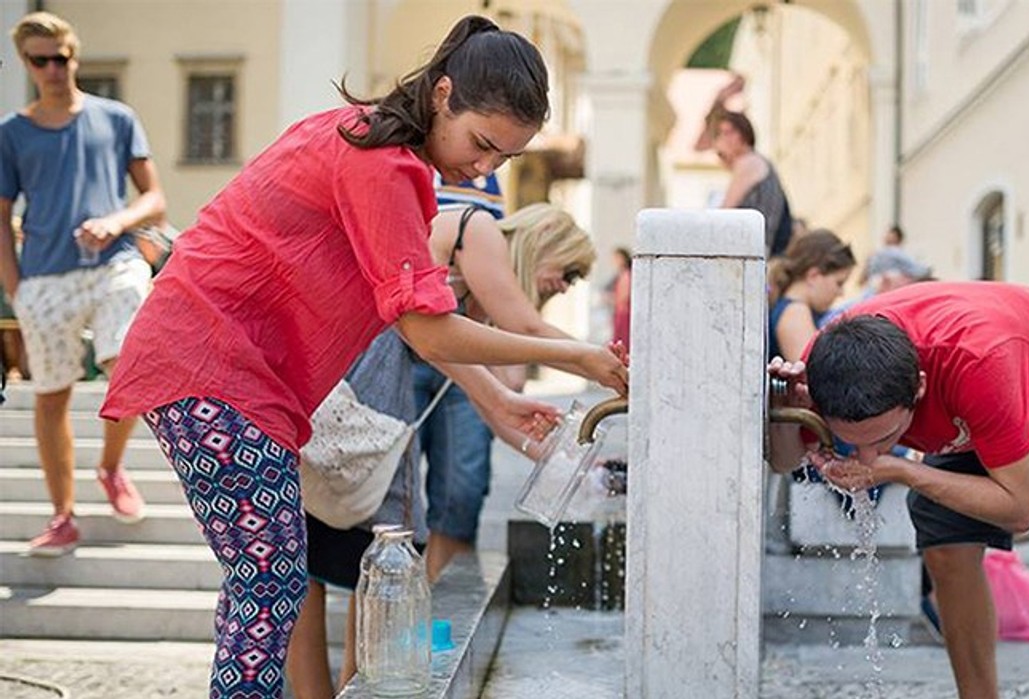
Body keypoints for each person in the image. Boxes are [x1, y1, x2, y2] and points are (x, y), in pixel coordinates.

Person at [99, 16, 628, 698]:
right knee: (271, 579)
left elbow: (408, 320)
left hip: (229, 371)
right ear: (444, 94)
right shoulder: (380, 161)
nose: (484, 169)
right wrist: (579, 357)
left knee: (264, 581)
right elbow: (429, 328)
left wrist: (495, 398)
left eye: (504, 159)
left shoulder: (368, 142)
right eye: (482, 144)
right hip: (210, 364)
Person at [288, 202, 596, 697]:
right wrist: (606, 362)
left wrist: (561, 458)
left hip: (351, 376)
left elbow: (496, 399)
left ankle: (337, 691)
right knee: (384, 545)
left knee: (327, 553)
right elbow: (527, 329)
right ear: (545, 240)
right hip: (367, 375)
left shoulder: (480, 297)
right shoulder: (479, 228)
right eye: (571, 271)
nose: (565, 287)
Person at [773, 281, 1029, 699]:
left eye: (884, 438)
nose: (867, 456)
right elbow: (784, 461)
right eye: (853, 442)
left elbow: (1020, 509)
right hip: (976, 405)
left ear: (919, 388)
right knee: (946, 548)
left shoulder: (979, 363)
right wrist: (783, 410)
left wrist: (904, 471)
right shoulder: (828, 368)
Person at [1, 11, 166, 556]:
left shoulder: (116, 118)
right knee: (52, 396)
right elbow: (1, 216)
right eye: (39, 61)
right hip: (44, 279)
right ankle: (62, 516)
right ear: (27, 64)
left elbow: (154, 199)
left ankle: (112, 467)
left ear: (75, 55)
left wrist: (116, 222)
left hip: (114, 264)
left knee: (130, 366)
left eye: (61, 57)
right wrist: (16, 287)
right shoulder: (11, 134)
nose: (52, 69)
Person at [711, 111, 794, 257]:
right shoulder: (758, 161)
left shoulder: (748, 163)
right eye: (721, 134)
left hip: (755, 247)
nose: (724, 139)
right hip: (762, 246)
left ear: (743, 133)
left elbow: (724, 213)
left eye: (729, 132)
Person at [767, 230, 855, 363]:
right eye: (839, 283)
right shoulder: (795, 313)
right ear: (813, 276)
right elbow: (809, 370)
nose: (841, 293)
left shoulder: (792, 309)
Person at [610, 247, 632, 350]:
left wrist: (611, 299)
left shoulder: (626, 274)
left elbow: (623, 296)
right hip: (620, 312)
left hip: (623, 313)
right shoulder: (622, 274)